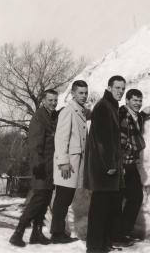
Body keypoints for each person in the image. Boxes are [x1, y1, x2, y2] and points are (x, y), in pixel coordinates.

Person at [9, 89, 59, 247]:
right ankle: (18, 233)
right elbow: (35, 143)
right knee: (37, 200)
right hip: (41, 167)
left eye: (55, 100)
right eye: (50, 100)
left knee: (44, 201)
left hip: (51, 167)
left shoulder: (52, 115)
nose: (53, 103)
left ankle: (36, 233)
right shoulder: (39, 117)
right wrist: (38, 164)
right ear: (43, 100)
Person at [84, 76, 126, 253]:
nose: (120, 91)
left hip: (109, 167)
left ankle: (103, 244)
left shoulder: (111, 106)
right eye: (117, 88)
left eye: (122, 88)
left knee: (107, 208)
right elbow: (102, 140)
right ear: (109, 87)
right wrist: (109, 164)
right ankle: (94, 247)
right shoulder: (103, 107)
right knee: (99, 209)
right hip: (103, 168)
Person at [112, 89, 150, 246]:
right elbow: (120, 139)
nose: (138, 103)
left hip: (131, 164)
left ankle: (122, 233)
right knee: (120, 200)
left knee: (134, 197)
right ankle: (117, 235)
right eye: (135, 100)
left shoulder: (134, 115)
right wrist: (121, 162)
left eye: (140, 100)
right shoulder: (122, 114)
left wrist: (144, 114)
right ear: (127, 101)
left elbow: (136, 124)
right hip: (123, 164)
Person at [50, 80, 89, 243]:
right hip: (67, 164)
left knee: (65, 199)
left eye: (86, 93)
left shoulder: (79, 111)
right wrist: (63, 162)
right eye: (80, 93)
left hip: (74, 163)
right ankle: (57, 234)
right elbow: (60, 138)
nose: (84, 96)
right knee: (62, 199)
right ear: (73, 93)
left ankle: (58, 232)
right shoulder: (68, 111)